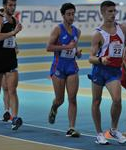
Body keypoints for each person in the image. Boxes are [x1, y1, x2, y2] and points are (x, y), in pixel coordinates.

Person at [88, 0, 126, 145]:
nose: (113, 14)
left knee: (117, 100)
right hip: (100, 70)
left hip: (114, 72)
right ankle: (99, 133)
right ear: (103, 13)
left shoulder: (123, 29)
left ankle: (113, 129)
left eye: (114, 11)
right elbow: (90, 58)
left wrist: (123, 58)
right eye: (109, 11)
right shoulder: (98, 34)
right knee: (96, 101)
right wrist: (101, 59)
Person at [46, 3, 82, 137]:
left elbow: (74, 47)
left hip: (72, 66)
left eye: (73, 14)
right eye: (69, 14)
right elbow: (48, 47)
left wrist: (77, 52)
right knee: (60, 99)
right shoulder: (58, 30)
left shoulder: (77, 31)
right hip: (58, 67)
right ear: (63, 15)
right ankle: (54, 107)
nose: (71, 17)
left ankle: (71, 128)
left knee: (72, 98)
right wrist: (65, 48)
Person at [0, 0, 22, 130]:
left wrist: (15, 38)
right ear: (4, 6)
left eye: (14, 5)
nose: (12, 7)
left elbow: (12, 40)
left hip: (11, 60)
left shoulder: (15, 21)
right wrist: (13, 32)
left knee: (12, 90)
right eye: (10, 5)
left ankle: (14, 118)